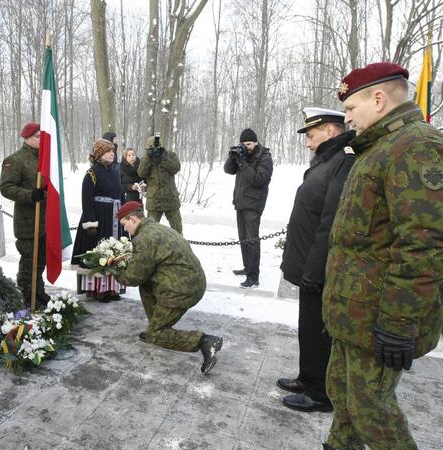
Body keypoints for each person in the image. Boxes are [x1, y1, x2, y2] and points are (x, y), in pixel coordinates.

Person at [286, 63, 443, 450]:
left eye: (351, 106)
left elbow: (424, 246)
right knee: (343, 387)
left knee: (372, 408)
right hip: (357, 311)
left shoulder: (419, 149)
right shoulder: (381, 148)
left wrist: (399, 322)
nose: (347, 116)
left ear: (379, 98)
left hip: (382, 316)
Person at [277, 107, 356, 413]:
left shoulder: (343, 161)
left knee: (319, 331)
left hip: (320, 266)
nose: (308, 143)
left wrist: (314, 268)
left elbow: (332, 222)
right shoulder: (328, 160)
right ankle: (307, 377)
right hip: (309, 262)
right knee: (307, 326)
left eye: (311, 136)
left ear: (330, 130)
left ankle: (321, 394)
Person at [114, 201, 223, 375]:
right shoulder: (158, 228)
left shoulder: (144, 238)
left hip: (181, 290)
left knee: (156, 336)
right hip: (191, 282)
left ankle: (205, 341)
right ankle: (156, 326)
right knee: (146, 285)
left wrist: (113, 271)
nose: (125, 229)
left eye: (125, 224)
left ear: (133, 219)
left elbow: (133, 277)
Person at [0, 122, 50, 308]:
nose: (40, 140)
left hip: (45, 220)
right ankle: (27, 295)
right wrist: (30, 195)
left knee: (41, 260)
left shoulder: (45, 160)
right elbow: (6, 188)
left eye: (42, 137)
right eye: (37, 137)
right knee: (29, 261)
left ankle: (39, 290)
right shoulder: (15, 159)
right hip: (28, 221)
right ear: (27, 137)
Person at [71, 138, 126, 301]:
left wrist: (123, 215)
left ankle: (112, 289)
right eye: (107, 151)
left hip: (114, 217)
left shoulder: (115, 172)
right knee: (100, 252)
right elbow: (86, 200)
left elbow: (120, 195)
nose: (111, 153)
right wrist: (90, 223)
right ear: (98, 154)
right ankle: (98, 290)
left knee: (114, 251)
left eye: (113, 151)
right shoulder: (92, 173)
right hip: (99, 219)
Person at [224, 128, 273, 288]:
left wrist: (243, 162)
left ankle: (254, 277)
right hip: (240, 203)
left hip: (254, 205)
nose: (247, 147)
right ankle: (247, 268)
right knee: (243, 239)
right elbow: (228, 170)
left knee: (252, 240)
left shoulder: (265, 157)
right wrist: (233, 158)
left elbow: (258, 180)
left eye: (249, 144)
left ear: (256, 142)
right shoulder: (242, 156)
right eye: (244, 144)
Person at [137, 135, 182, 234]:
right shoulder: (146, 159)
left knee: (177, 230)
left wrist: (163, 157)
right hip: (154, 200)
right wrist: (148, 158)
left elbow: (176, 168)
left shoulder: (170, 155)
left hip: (170, 198)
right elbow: (141, 173)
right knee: (150, 231)